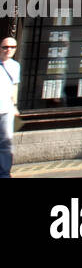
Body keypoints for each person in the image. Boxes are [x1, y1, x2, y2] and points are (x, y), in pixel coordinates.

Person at [0, 37, 19, 178]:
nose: (9, 50)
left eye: (12, 47)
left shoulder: (15, 65)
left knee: (6, 142)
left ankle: (4, 173)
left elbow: (14, 86)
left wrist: (15, 105)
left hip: (6, 109)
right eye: (5, 47)